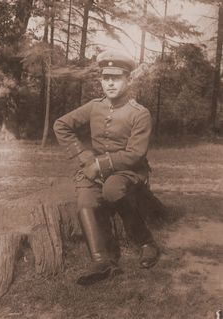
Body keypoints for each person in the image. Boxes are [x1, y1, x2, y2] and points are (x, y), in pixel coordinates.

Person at [53, 49, 160, 286]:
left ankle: (145, 242)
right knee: (85, 200)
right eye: (105, 78)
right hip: (94, 168)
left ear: (127, 79)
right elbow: (61, 125)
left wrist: (100, 164)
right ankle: (102, 261)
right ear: (101, 80)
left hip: (128, 170)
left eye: (117, 77)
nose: (110, 83)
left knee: (112, 191)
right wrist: (83, 155)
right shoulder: (94, 106)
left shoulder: (139, 113)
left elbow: (135, 154)